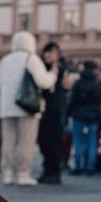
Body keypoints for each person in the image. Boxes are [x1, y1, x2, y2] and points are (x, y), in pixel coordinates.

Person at [0, 31, 58, 186]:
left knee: (9, 140)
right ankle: (23, 173)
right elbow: (43, 82)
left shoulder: (5, 60)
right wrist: (53, 75)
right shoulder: (31, 59)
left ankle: (8, 173)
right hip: (27, 106)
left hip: (6, 107)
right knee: (26, 140)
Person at [67, 60, 101, 176]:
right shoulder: (98, 83)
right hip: (94, 116)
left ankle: (78, 167)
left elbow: (72, 100)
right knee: (92, 142)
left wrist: (67, 114)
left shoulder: (78, 83)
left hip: (79, 115)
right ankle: (90, 167)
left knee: (77, 141)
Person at [37, 41, 66, 183]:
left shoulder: (61, 68)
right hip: (43, 109)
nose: (49, 55)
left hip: (55, 110)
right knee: (43, 141)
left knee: (54, 142)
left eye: (53, 52)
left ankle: (54, 172)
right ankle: (47, 169)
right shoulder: (41, 68)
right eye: (47, 52)